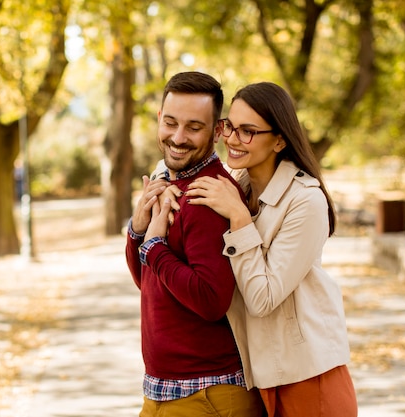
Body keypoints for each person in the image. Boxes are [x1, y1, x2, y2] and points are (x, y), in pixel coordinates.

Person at [152, 81, 358, 417]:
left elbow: (262, 298)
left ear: (279, 140)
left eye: (248, 131)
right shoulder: (235, 185)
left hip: (308, 378)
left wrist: (238, 217)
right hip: (260, 380)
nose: (232, 139)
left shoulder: (305, 201)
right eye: (230, 126)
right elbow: (176, 156)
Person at [125, 71, 264, 417]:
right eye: (170, 123)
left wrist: (154, 247)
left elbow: (211, 299)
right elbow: (149, 283)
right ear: (159, 118)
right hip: (168, 390)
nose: (178, 137)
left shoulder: (207, 195)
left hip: (206, 394)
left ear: (218, 130)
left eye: (193, 127)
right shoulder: (172, 184)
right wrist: (139, 231)